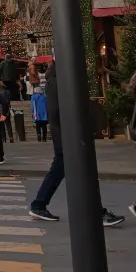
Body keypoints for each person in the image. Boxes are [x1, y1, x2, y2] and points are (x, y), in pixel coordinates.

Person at [29, 61, 124, 226]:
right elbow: (68, 109)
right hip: (70, 137)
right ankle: (97, 213)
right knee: (86, 174)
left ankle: (39, 204)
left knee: (60, 172)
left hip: (65, 137)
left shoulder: (54, 81)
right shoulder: (61, 82)